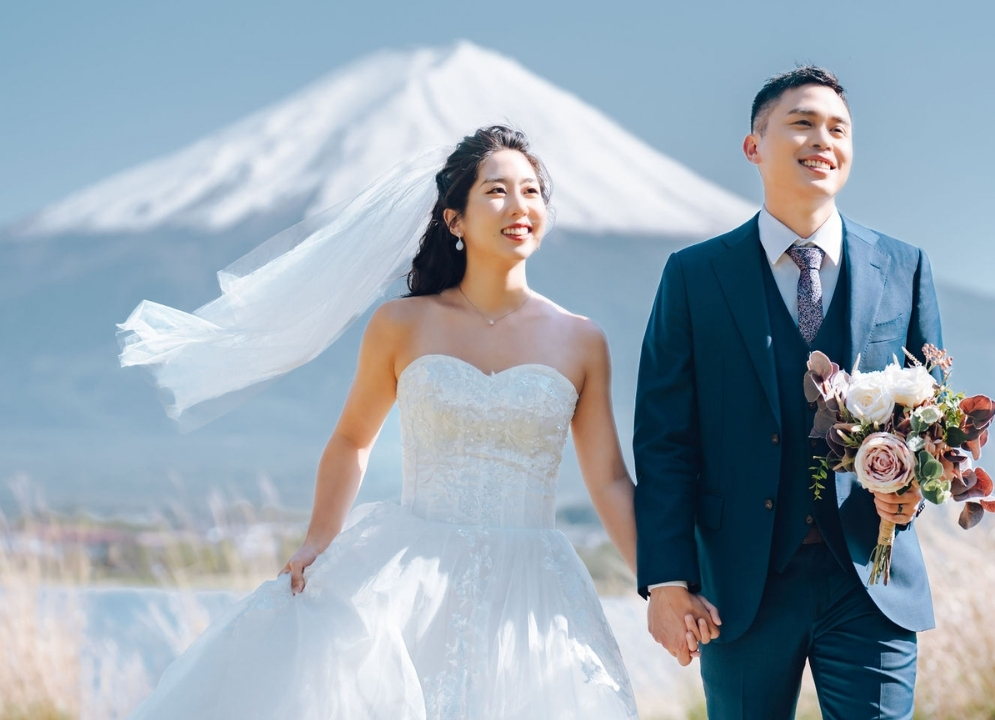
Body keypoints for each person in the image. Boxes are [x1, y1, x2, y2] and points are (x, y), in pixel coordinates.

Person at [121, 126, 643, 719]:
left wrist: (662, 586)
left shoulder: (581, 339)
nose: (519, 206)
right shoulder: (400, 324)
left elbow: (607, 481)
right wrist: (320, 538)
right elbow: (351, 439)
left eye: (532, 191)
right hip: (410, 573)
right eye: (497, 191)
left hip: (534, 588)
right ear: (455, 220)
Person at [634, 67, 941, 719]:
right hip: (741, 590)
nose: (822, 139)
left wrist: (915, 488)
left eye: (838, 128)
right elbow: (664, 440)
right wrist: (666, 581)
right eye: (802, 122)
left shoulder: (906, 267)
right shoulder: (693, 276)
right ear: (754, 146)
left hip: (872, 579)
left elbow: (932, 419)